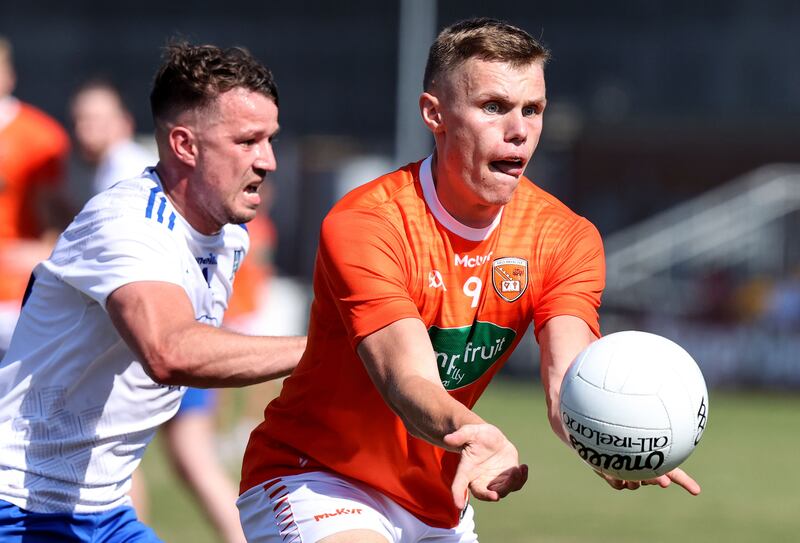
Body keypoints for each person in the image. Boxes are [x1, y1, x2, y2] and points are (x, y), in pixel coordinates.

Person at [238, 17, 701, 543]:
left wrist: (607, 432)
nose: (519, 130)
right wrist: (479, 435)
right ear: (434, 114)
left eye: (533, 110)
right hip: (318, 473)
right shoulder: (368, 222)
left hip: (439, 496)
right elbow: (407, 381)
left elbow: (568, 381)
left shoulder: (566, 238)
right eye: (494, 107)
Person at [0, 41, 305, 542]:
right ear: (185, 145)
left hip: (104, 510)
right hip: (19, 509)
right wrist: (329, 348)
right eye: (247, 141)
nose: (268, 160)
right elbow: (169, 351)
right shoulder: (127, 223)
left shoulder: (228, 235)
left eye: (270, 139)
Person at [0, 36, 71, 356]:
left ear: (9, 74)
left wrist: (43, 252)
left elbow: (60, 218)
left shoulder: (40, 136)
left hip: (15, 294)